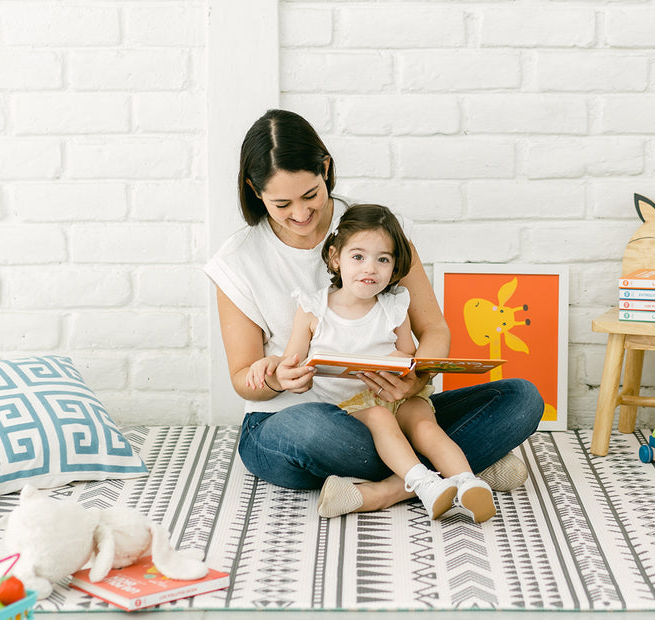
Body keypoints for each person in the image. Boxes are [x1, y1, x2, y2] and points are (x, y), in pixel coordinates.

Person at [204, 109, 543, 518]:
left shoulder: (378, 232)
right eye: (281, 203)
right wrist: (276, 379)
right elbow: (245, 379)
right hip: (303, 423)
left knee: (521, 398)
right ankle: (462, 469)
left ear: (325, 168)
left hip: (398, 411)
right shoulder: (238, 260)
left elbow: (433, 327)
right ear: (255, 192)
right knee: (306, 431)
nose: (300, 214)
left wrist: (418, 375)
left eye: (310, 195)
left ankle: (388, 490)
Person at [247, 204, 497, 523]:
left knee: (425, 426)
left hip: (400, 395)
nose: (370, 268)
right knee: (379, 418)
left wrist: (405, 363)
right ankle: (425, 483)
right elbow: (291, 361)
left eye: (383, 259)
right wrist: (271, 365)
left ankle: (467, 482)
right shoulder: (313, 308)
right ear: (336, 258)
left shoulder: (394, 307)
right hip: (353, 407)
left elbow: (408, 354)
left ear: (394, 268)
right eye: (358, 257)